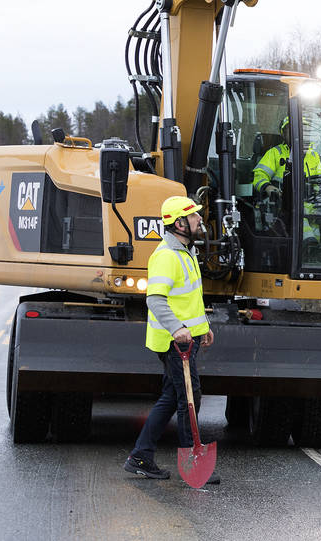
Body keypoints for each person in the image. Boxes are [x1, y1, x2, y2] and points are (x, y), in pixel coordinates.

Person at [122, 196, 219, 484]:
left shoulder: (185, 251)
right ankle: (193, 459)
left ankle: (140, 456)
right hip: (175, 343)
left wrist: (204, 326)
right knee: (190, 396)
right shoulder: (166, 255)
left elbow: (188, 298)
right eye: (194, 217)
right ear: (179, 223)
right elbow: (155, 299)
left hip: (188, 339)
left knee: (172, 397)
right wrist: (178, 328)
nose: (200, 220)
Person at [252, 115, 321, 241]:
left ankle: (319, 255)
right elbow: (259, 175)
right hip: (285, 204)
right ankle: (311, 247)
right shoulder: (275, 153)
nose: (297, 132)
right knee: (303, 224)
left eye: (303, 129)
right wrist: (268, 187)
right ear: (284, 134)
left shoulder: (314, 156)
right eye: (290, 129)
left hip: (312, 206)